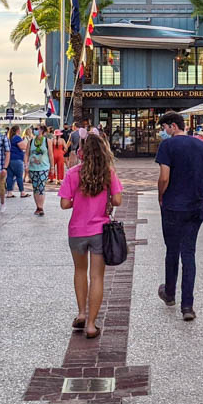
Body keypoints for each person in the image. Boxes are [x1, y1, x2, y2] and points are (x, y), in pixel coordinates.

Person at [155, 110, 203, 321]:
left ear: (173, 126)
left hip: (173, 206)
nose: (163, 132)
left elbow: (164, 177)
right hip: (195, 207)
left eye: (164, 128)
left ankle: (170, 293)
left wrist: (160, 194)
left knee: (172, 250)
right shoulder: (201, 145)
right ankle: (188, 306)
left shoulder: (167, 146)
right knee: (189, 254)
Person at [59, 132, 123, 339]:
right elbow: (118, 200)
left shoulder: (72, 173)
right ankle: (91, 325)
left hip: (77, 231)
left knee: (79, 271)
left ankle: (81, 313)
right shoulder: (108, 173)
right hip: (99, 231)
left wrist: (79, 200)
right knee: (97, 277)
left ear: (81, 152)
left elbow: (64, 204)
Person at [27, 126, 54, 216]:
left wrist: (52, 167)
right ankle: (37, 206)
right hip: (32, 167)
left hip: (44, 167)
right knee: (35, 187)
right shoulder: (30, 142)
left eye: (37, 129)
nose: (35, 130)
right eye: (34, 129)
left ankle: (41, 207)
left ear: (42, 131)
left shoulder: (47, 141)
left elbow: (50, 154)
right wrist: (25, 164)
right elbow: (27, 154)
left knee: (41, 186)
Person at [6, 125, 26, 197]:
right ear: (18, 130)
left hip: (9, 159)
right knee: (19, 176)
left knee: (10, 176)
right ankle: (22, 192)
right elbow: (22, 147)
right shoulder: (17, 138)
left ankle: (9, 192)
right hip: (17, 159)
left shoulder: (10, 138)